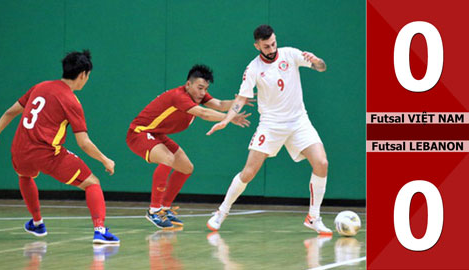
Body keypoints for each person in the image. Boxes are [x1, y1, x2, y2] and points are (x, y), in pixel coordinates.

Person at [206, 24, 332, 235]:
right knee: (248, 172)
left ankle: (314, 217)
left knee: (322, 163)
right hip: (271, 125)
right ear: (257, 46)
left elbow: (322, 67)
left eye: (273, 43)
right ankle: (221, 212)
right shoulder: (253, 69)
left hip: (299, 121)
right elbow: (241, 98)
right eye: (266, 46)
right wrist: (227, 120)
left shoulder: (290, 54)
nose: (272, 48)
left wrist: (317, 60)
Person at [0, 50, 119, 244]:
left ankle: (37, 222)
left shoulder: (40, 87)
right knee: (92, 182)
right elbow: (83, 143)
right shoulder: (70, 101)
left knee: (25, 176)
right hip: (48, 155)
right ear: (83, 74)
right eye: (88, 76)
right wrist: (105, 159)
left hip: (19, 151)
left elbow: (10, 112)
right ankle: (100, 230)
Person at [126, 64, 252, 229]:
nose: (202, 92)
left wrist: (238, 101)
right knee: (167, 158)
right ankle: (154, 210)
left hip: (156, 134)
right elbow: (204, 113)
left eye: (205, 88)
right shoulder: (179, 96)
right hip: (139, 133)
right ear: (188, 85)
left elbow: (220, 104)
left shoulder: (198, 95)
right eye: (200, 87)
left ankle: (165, 207)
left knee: (186, 167)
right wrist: (230, 118)